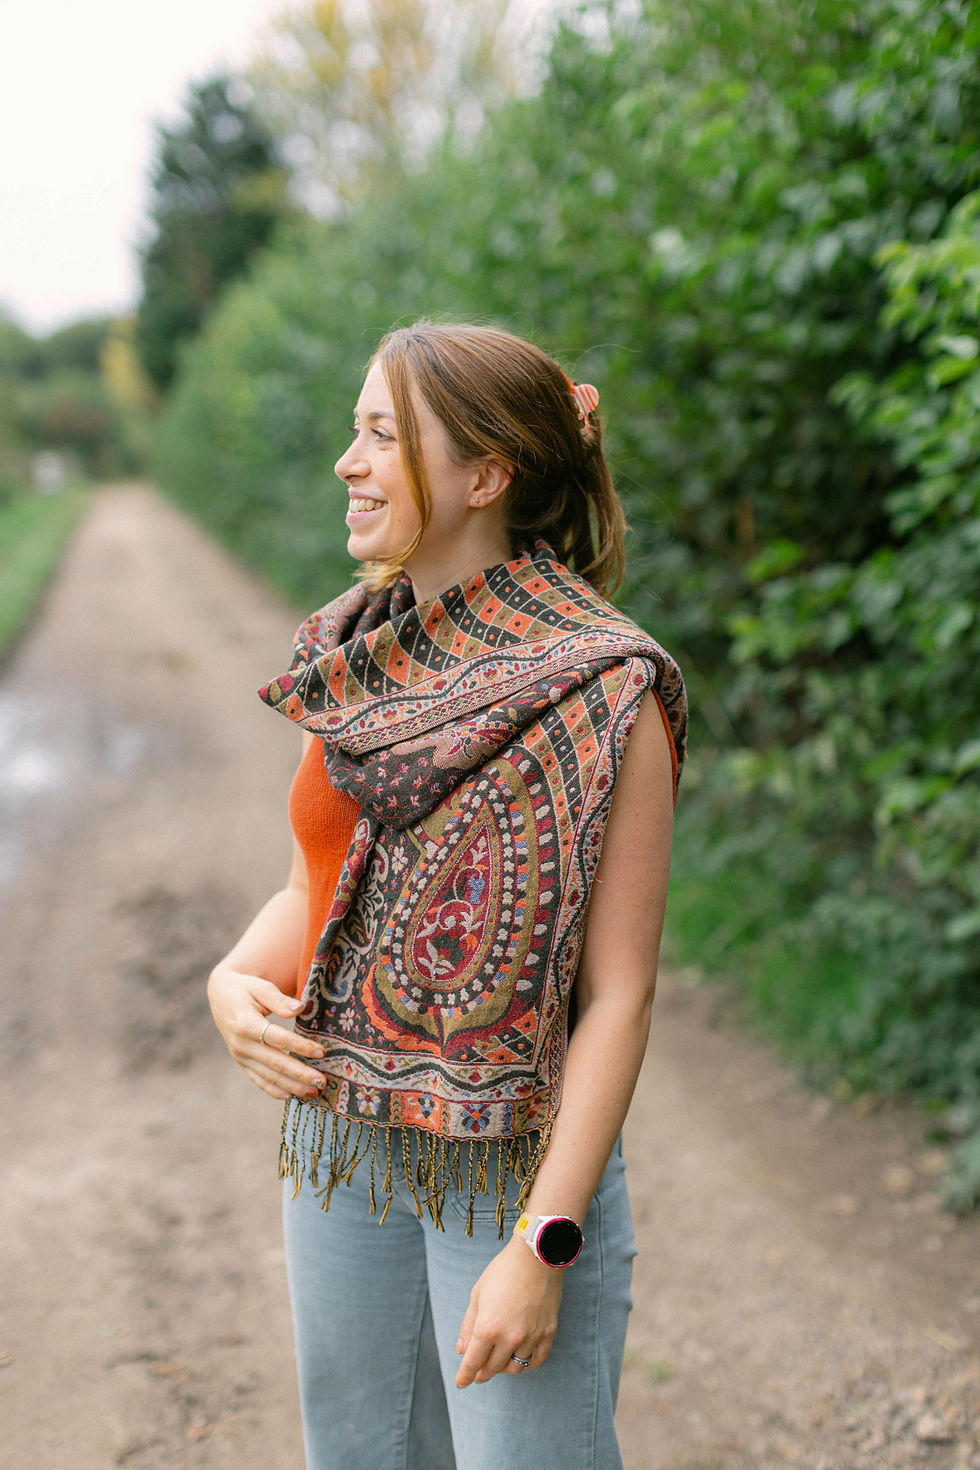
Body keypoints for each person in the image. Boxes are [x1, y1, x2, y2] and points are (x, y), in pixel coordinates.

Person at [208, 320, 686, 1470]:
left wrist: (543, 1243)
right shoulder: (360, 651)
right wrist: (231, 978)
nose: (346, 461)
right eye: (354, 430)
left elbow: (617, 1000)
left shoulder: (603, 687)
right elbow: (312, 883)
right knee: (360, 1454)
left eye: (380, 434)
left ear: (484, 474)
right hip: (342, 1131)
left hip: (512, 1165)